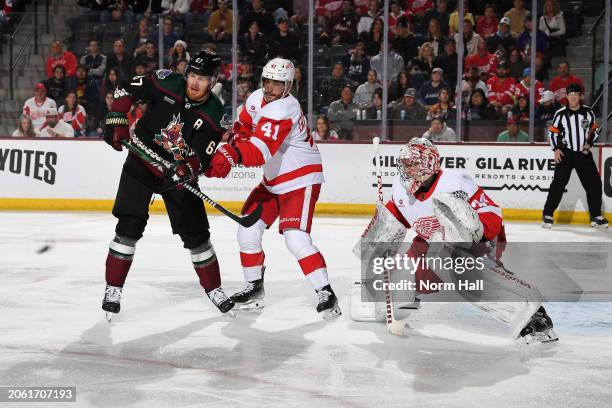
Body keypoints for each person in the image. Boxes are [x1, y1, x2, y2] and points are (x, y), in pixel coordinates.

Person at [352, 137, 557, 343]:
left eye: (412, 164)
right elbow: (396, 214)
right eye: (405, 164)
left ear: (428, 163)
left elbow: (491, 213)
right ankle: (397, 301)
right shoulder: (401, 187)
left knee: (467, 279)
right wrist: (377, 241)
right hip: (433, 242)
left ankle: (533, 315)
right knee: (404, 272)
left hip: (478, 240)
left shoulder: (455, 182)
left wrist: (476, 234)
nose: (406, 169)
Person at [204, 57, 342, 319]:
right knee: (247, 230)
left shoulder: (284, 109)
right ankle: (254, 289)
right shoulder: (257, 98)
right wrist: (237, 139)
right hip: (273, 181)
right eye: (267, 80)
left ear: (288, 86)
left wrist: (231, 154)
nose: (269, 87)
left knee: (295, 238)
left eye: (277, 83)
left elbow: (259, 153)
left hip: (300, 179)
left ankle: (326, 292)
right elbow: (243, 125)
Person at [100, 51, 235, 318]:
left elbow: (202, 156)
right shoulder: (167, 82)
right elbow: (125, 88)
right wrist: (117, 116)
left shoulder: (214, 114)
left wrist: (188, 169)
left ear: (214, 81)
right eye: (193, 76)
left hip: (175, 175)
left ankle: (215, 289)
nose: (195, 83)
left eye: (203, 78)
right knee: (128, 226)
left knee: (197, 235)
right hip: (141, 160)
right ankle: (112, 289)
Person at [543, 83, 607, 229]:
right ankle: (547, 215)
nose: (572, 97)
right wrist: (556, 149)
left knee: (594, 184)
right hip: (566, 153)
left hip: (583, 154)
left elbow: (594, 130)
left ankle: (595, 217)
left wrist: (589, 144)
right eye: (570, 94)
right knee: (558, 184)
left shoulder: (588, 113)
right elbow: (553, 132)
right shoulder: (560, 114)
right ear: (567, 96)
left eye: (575, 94)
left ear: (580, 96)